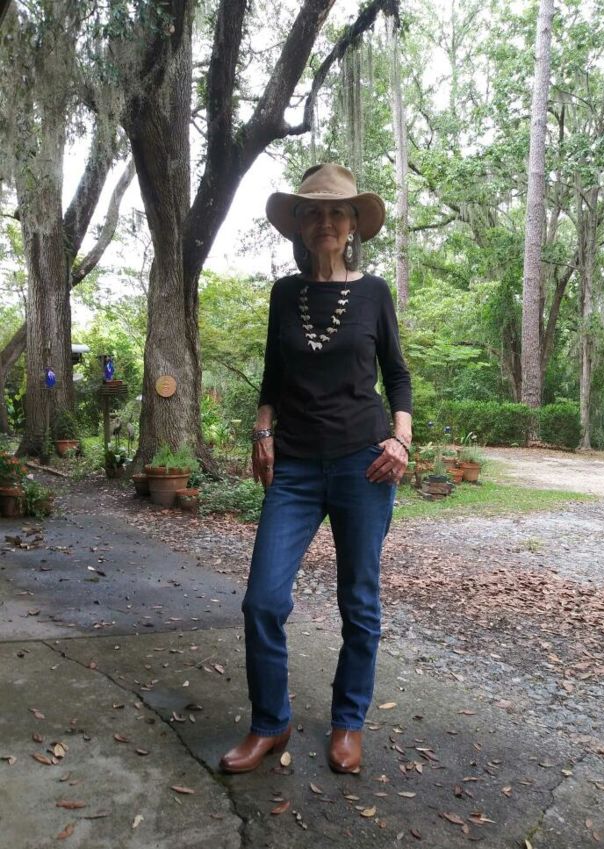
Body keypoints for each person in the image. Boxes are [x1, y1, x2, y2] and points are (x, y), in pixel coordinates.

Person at [219, 163, 412, 775]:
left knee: (359, 600)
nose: (324, 221)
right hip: (296, 467)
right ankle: (270, 723)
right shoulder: (285, 294)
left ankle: (348, 722)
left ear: (352, 224)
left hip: (364, 464)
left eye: (336, 212)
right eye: (312, 212)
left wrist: (402, 440)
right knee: (262, 600)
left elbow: (397, 375)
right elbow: (273, 375)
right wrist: (262, 430)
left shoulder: (374, 293)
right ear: (299, 226)